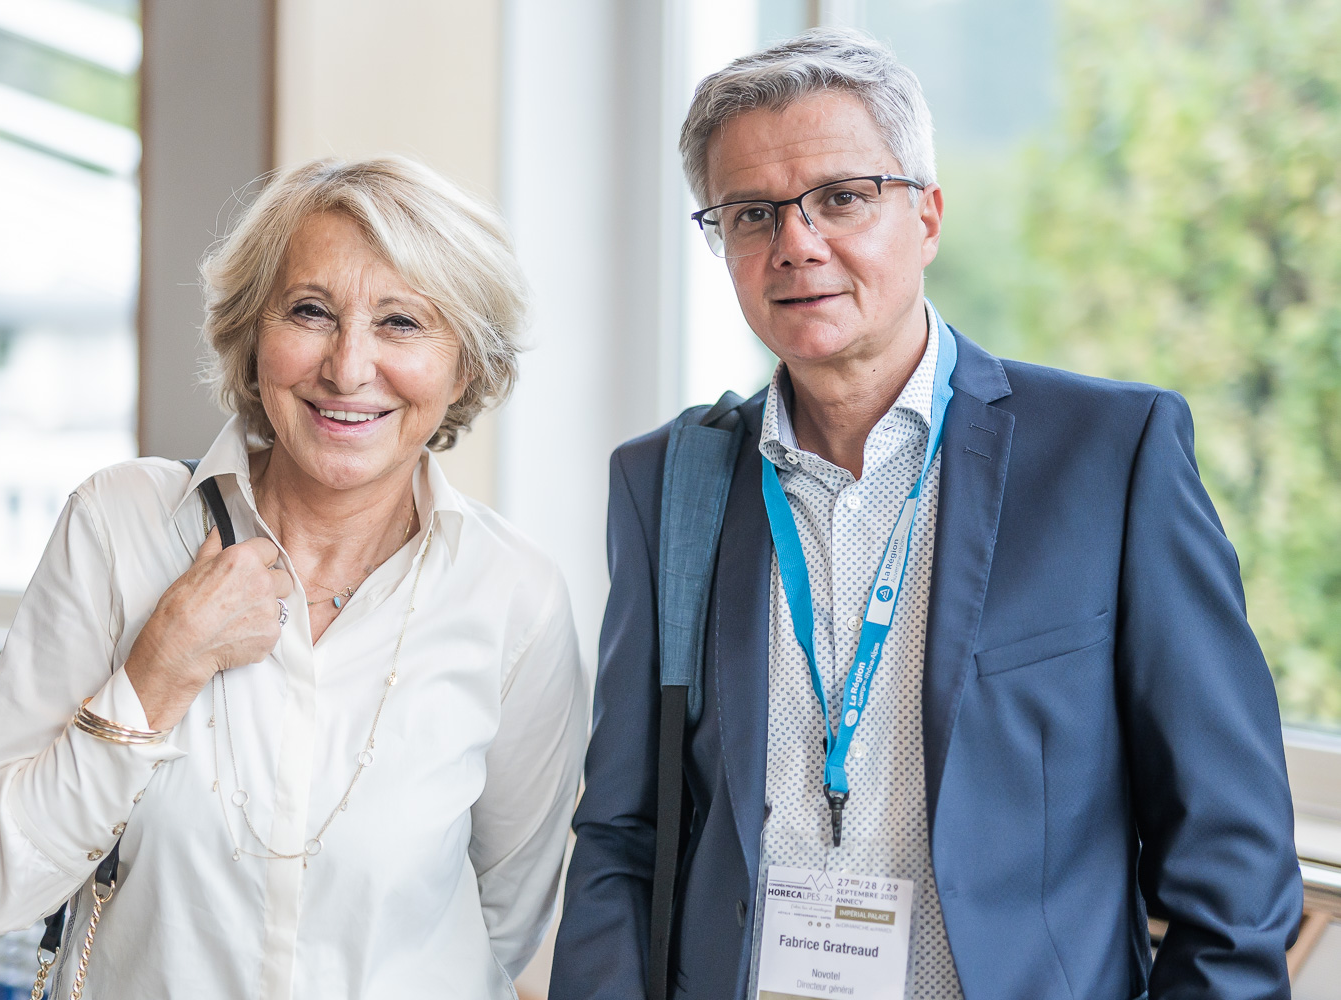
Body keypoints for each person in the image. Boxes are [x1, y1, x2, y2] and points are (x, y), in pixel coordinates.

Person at [551, 27, 1302, 1000]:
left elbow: (1232, 855)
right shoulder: (667, 480)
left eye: (842, 197)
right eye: (751, 213)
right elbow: (623, 832)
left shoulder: (1109, 456)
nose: (796, 244)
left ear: (929, 217)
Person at [0, 156, 588, 998]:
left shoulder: (515, 597)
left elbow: (506, 916)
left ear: (464, 365)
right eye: (311, 312)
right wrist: (158, 670)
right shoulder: (120, 526)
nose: (348, 368)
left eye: (401, 323)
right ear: (252, 338)